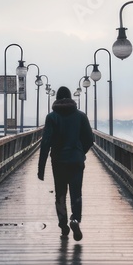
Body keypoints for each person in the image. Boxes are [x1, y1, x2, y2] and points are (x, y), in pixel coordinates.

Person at [37, 86, 93, 240]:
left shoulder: (51, 117)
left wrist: (41, 168)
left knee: (60, 194)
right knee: (76, 193)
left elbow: (45, 143)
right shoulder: (80, 116)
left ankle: (63, 226)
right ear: (70, 98)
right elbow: (90, 139)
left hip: (59, 161)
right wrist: (81, 152)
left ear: (57, 99)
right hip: (76, 161)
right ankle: (75, 219)